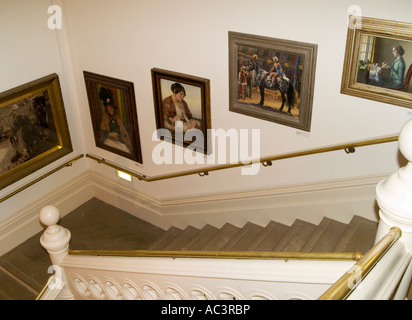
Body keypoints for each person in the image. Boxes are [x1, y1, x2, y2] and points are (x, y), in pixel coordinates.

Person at [98, 87, 132, 153]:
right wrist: (109, 135)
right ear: (107, 108)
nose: (110, 109)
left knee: (127, 151)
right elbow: (102, 132)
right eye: (108, 107)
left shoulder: (117, 118)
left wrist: (120, 138)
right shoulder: (105, 118)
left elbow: (123, 132)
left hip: (118, 141)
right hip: (109, 141)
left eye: (111, 107)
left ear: (113, 108)